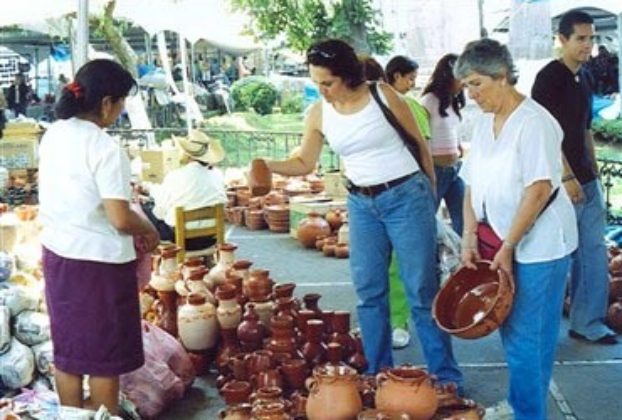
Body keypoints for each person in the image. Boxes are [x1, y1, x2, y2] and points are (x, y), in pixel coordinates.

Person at [257, 39, 463, 388]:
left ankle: (445, 377)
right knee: (369, 291)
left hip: (406, 196)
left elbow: (419, 146)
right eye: (316, 82)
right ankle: (377, 372)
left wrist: (428, 196)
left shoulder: (382, 94)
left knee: (421, 291)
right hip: (361, 203)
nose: (321, 90)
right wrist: (265, 164)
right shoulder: (320, 112)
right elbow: (305, 162)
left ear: (348, 75)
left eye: (327, 82)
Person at [455, 38, 578, 420]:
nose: (471, 94)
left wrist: (507, 245)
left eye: (477, 83)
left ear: (503, 76)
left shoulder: (534, 122)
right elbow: (471, 183)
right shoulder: (484, 122)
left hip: (541, 244)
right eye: (466, 86)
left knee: (529, 337)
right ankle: (524, 402)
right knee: (513, 328)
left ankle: (529, 412)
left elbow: (539, 189)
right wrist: (470, 235)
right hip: (503, 240)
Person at [38, 59, 160, 415]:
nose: (120, 111)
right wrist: (149, 228)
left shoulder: (54, 134)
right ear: (107, 103)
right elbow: (120, 217)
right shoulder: (105, 149)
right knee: (103, 359)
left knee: (70, 354)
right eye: (121, 104)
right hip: (99, 265)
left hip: (59, 256)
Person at [532, 9, 618, 345]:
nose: (588, 45)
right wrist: (567, 178)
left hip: (586, 180)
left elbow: (585, 129)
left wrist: (593, 175)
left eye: (591, 38)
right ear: (562, 39)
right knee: (555, 256)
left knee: (594, 252)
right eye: (581, 38)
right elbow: (545, 135)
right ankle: (537, 327)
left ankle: (588, 321)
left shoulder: (586, 76)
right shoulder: (548, 78)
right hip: (558, 182)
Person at [384, 55, 432, 349]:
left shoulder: (412, 107)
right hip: (368, 199)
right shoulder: (354, 111)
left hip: (408, 195)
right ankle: (385, 323)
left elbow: (422, 150)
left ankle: (401, 322)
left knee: (405, 266)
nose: (413, 84)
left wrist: (426, 190)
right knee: (378, 268)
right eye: (410, 78)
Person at [140, 129, 227, 250]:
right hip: (211, 238)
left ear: (187, 154)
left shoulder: (176, 176)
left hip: (182, 239)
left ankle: (156, 260)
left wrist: (147, 192)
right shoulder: (217, 175)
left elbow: (160, 209)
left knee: (141, 212)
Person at [421, 54, 466, 236]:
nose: (464, 83)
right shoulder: (428, 101)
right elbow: (422, 137)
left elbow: (451, 129)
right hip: (437, 170)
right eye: (461, 78)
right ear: (449, 76)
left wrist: (458, 145)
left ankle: (463, 255)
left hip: (455, 169)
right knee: (427, 217)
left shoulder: (452, 101)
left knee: (463, 216)